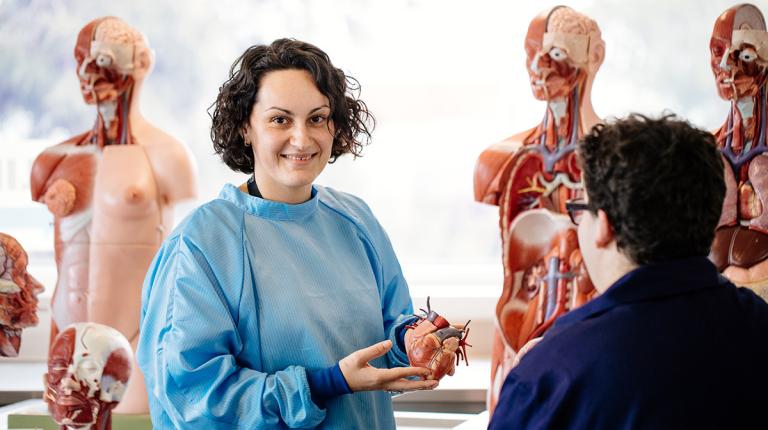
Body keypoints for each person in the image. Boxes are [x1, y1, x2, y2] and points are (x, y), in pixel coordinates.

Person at [137, 39, 454, 429]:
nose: (302, 139)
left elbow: (390, 328)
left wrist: (414, 340)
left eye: (317, 118)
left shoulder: (356, 221)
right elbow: (195, 399)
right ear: (245, 127)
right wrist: (325, 384)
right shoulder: (202, 245)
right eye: (280, 120)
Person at [489, 114, 768, 429]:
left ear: (604, 226)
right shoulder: (759, 327)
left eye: (581, 210)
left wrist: (553, 355)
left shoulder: (552, 376)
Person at [30, 16, 197, 413]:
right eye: (82, 59)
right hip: (64, 336)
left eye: (104, 58)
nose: (89, 72)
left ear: (141, 64)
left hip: (136, 337)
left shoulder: (168, 157)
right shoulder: (52, 161)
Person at [473, 5, 605, 414]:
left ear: (594, 57)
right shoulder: (498, 160)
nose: (540, 65)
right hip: (517, 331)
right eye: (532, 53)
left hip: (592, 338)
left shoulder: (619, 164)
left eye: (557, 53)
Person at [708, 3, 768, 301]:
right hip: (718, 286)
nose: (726, 68)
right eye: (718, 54)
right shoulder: (712, 147)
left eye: (743, 55)